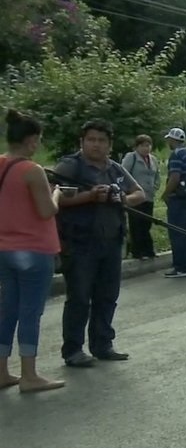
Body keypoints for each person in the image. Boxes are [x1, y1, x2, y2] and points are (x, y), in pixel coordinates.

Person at [55, 119, 147, 366]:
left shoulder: (115, 168)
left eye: (101, 140)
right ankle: (73, 350)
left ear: (110, 144)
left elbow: (139, 193)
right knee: (80, 297)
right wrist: (90, 196)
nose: (96, 145)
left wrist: (122, 198)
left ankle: (103, 344)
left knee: (107, 296)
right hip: (79, 243)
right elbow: (56, 198)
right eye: (91, 140)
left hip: (111, 241)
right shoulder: (70, 166)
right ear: (82, 142)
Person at [0, 109, 66, 393]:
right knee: (30, 312)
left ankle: (1, 371)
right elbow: (46, 210)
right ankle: (30, 375)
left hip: (4, 247)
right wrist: (57, 193)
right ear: (30, 141)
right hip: (34, 250)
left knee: (8, 310)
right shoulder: (31, 170)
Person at [160, 128, 186, 278]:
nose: (168, 142)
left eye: (169, 139)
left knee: (177, 233)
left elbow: (175, 177)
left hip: (177, 199)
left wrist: (166, 194)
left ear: (173, 140)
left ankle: (181, 267)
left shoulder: (176, 155)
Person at [121, 135, 160, 261]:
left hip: (148, 197)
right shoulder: (131, 158)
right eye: (143, 145)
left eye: (148, 145)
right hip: (135, 196)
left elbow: (157, 175)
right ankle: (137, 251)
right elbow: (123, 174)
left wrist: (155, 187)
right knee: (136, 224)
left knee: (146, 223)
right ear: (137, 147)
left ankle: (148, 250)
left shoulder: (153, 159)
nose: (146, 148)